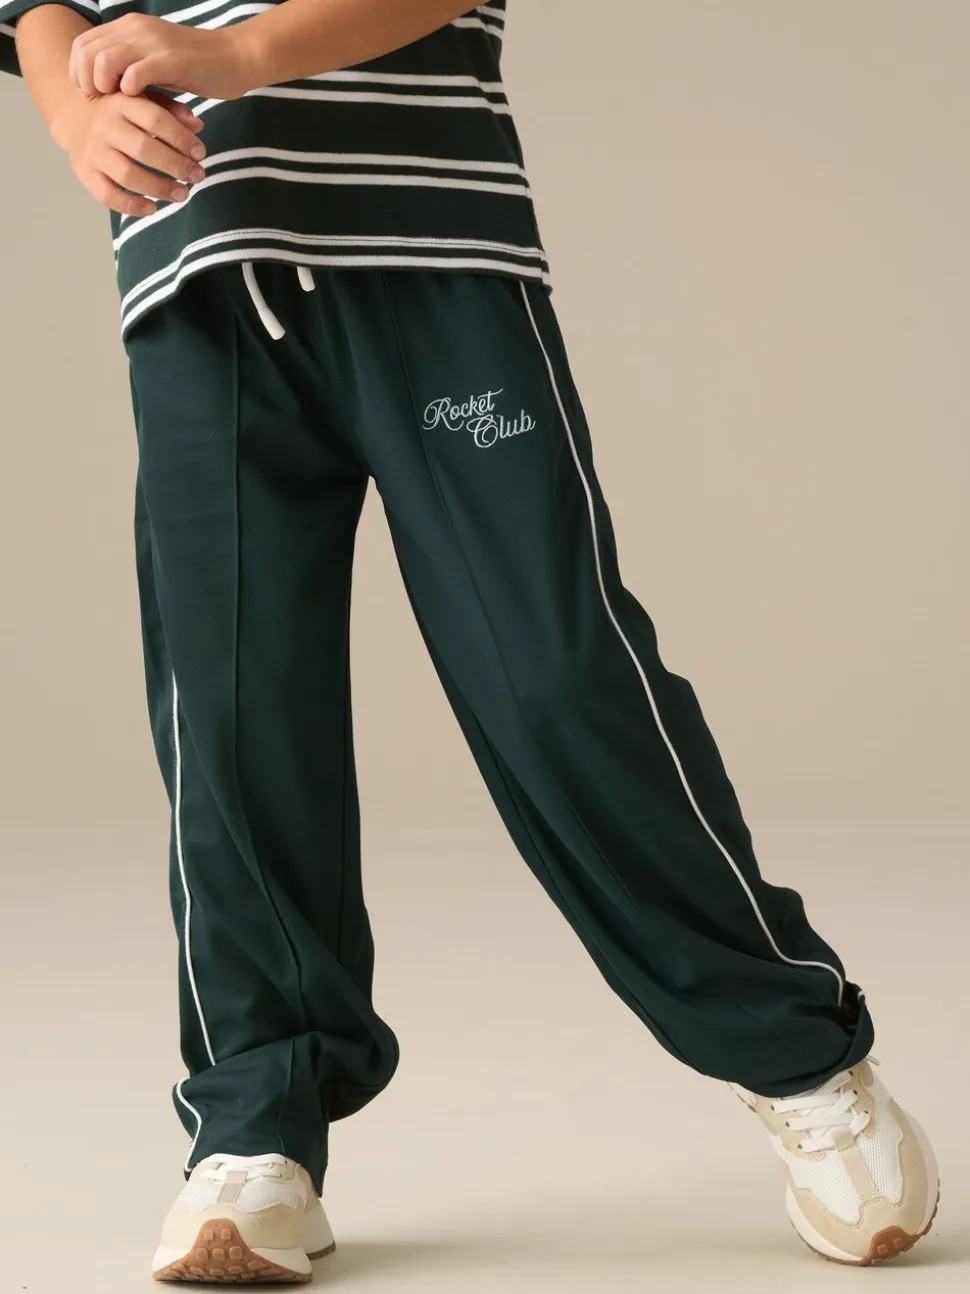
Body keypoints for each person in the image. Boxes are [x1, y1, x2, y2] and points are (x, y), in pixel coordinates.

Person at [2, 1, 938, 1281]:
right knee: (229, 714)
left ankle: (799, 1053)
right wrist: (73, 114)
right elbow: (41, 10)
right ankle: (255, 1122)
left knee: (552, 676)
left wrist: (235, 56)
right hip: (195, 275)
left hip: (429, 246)